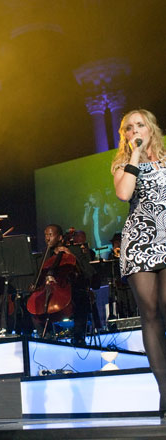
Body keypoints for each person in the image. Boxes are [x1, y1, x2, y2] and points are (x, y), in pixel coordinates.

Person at [111, 109, 166, 417]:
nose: (135, 130)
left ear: (150, 127)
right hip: (140, 243)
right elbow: (123, 193)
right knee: (151, 313)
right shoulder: (123, 163)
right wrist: (136, 154)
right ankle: (164, 391)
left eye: (139, 125)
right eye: (129, 128)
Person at [28, 225, 95, 345]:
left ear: (59, 237)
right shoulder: (45, 255)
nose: (47, 238)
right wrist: (34, 285)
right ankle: (46, 335)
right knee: (32, 303)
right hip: (48, 289)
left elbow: (88, 273)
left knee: (81, 298)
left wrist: (72, 255)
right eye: (45, 235)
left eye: (50, 235)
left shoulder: (74, 251)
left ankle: (78, 337)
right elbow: (39, 277)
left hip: (71, 288)